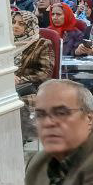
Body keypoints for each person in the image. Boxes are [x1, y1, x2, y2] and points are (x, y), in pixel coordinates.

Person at [12, 11, 55, 142]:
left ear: (30, 26)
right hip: (7, 86)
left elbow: (45, 74)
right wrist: (7, 76)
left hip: (32, 89)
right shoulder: (5, 45)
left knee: (14, 102)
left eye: (21, 23)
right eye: (13, 22)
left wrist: (20, 79)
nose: (15, 26)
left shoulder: (42, 44)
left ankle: (18, 140)